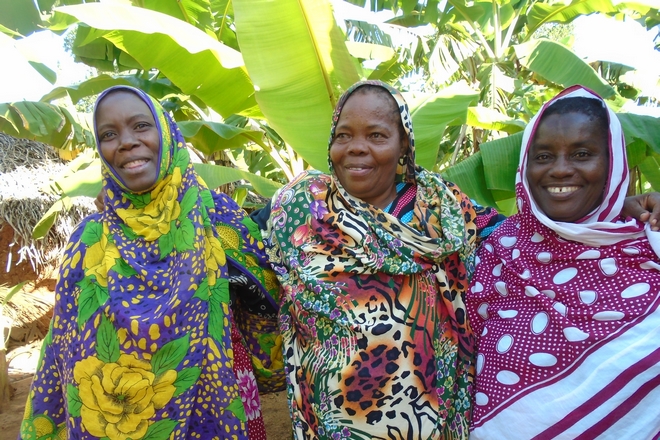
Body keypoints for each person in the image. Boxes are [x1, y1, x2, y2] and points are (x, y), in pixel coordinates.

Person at [19, 86, 283, 440]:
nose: (126, 142)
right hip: (116, 424)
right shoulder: (89, 241)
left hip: (219, 411)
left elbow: (269, 300)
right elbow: (63, 346)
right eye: (108, 134)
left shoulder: (218, 220)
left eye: (141, 126)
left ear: (167, 132)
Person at [255, 80, 504, 439]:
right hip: (333, 424)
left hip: (428, 419)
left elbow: (517, 237)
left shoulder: (441, 208)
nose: (356, 149)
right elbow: (234, 246)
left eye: (376, 135)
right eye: (344, 136)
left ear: (404, 143)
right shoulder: (299, 208)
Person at [466, 86, 660, 439]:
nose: (559, 170)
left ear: (612, 161)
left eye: (582, 154)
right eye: (543, 156)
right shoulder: (498, 249)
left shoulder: (649, 245)